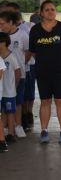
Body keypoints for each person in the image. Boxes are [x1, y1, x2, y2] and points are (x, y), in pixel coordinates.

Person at [28, 0, 61, 144]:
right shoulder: (35, 30)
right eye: (47, 10)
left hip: (60, 71)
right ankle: (44, 131)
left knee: (60, 100)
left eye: (53, 9)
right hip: (42, 71)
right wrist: (45, 62)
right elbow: (34, 51)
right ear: (41, 13)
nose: (50, 12)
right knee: (45, 101)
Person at [0, 9, 28, 138]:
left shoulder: (22, 35)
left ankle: (18, 126)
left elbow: (28, 52)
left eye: (2, 23)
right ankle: (7, 129)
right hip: (4, 78)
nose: (1, 26)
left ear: (11, 22)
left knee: (17, 102)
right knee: (5, 104)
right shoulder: (1, 35)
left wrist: (21, 66)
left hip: (18, 75)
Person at [0, 30, 21, 144]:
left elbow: (18, 73)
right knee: (2, 112)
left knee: (10, 112)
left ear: (5, 43)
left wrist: (14, 86)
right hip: (1, 92)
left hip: (9, 92)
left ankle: (11, 133)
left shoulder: (11, 57)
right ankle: (2, 133)